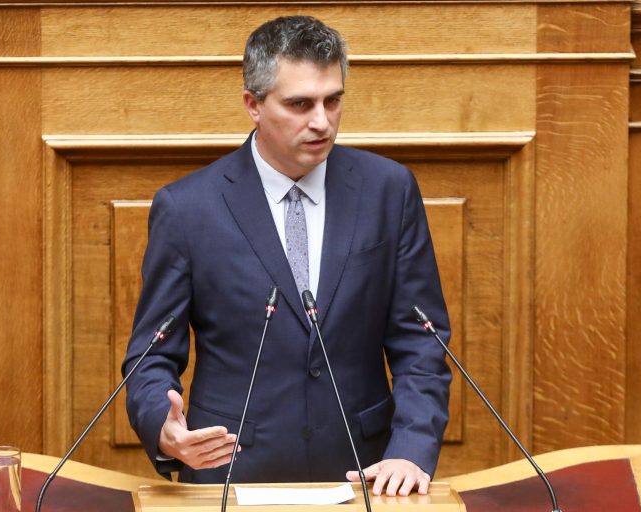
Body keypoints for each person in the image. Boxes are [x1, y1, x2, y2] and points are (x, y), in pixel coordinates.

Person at [123, 15, 451, 497]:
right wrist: (162, 426)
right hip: (230, 477)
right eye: (300, 104)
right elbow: (151, 353)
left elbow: (420, 340)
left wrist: (412, 447)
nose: (322, 121)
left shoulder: (388, 190)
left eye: (332, 100)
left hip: (367, 477)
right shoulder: (188, 208)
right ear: (253, 105)